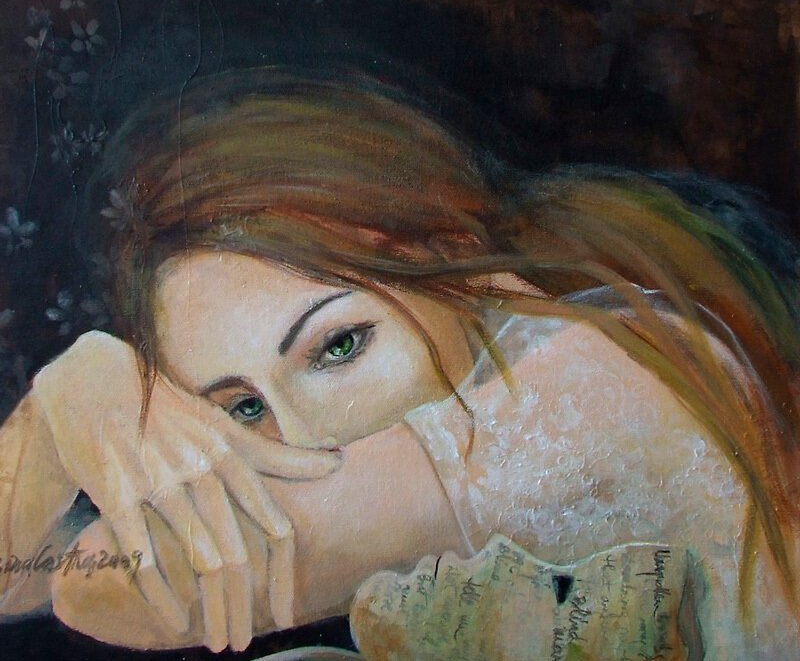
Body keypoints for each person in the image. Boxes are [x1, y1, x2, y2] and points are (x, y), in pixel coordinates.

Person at [0, 67, 798, 659]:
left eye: (338, 346)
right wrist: (63, 406)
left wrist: (71, 408)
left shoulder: (601, 387)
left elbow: (105, 584)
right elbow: (16, 573)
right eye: (243, 408)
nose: (303, 442)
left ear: (449, 253)